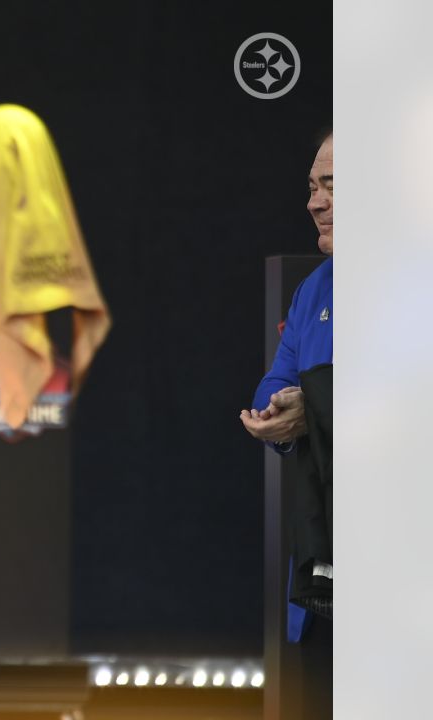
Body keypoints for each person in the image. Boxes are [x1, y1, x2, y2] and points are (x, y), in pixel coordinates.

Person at [239, 131, 332, 716]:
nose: (313, 202)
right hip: (324, 570)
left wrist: (316, 403)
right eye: (311, 187)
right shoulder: (315, 287)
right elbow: (276, 380)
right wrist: (281, 409)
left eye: (331, 187)